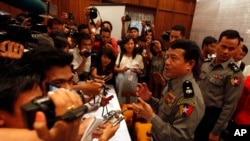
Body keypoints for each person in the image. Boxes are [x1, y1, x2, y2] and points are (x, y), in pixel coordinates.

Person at [131, 39, 205, 141]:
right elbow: (165, 109)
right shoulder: (173, 82)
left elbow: (178, 137)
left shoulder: (189, 97)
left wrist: (151, 117)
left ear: (190, 64)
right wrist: (150, 99)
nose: (167, 62)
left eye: (173, 58)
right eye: (167, 57)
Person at [194, 30, 244, 141]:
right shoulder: (206, 64)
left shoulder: (235, 74)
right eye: (223, 46)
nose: (226, 52)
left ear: (236, 49)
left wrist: (216, 131)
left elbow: (229, 107)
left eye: (231, 49)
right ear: (217, 44)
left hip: (212, 118)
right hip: (197, 112)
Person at [114, 36, 144, 103]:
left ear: (134, 45)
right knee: (120, 101)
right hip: (121, 82)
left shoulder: (139, 57)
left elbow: (142, 72)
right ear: (124, 45)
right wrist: (122, 70)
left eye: (131, 43)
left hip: (133, 83)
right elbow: (115, 68)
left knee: (132, 102)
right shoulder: (121, 55)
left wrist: (137, 71)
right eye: (127, 44)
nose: (130, 46)